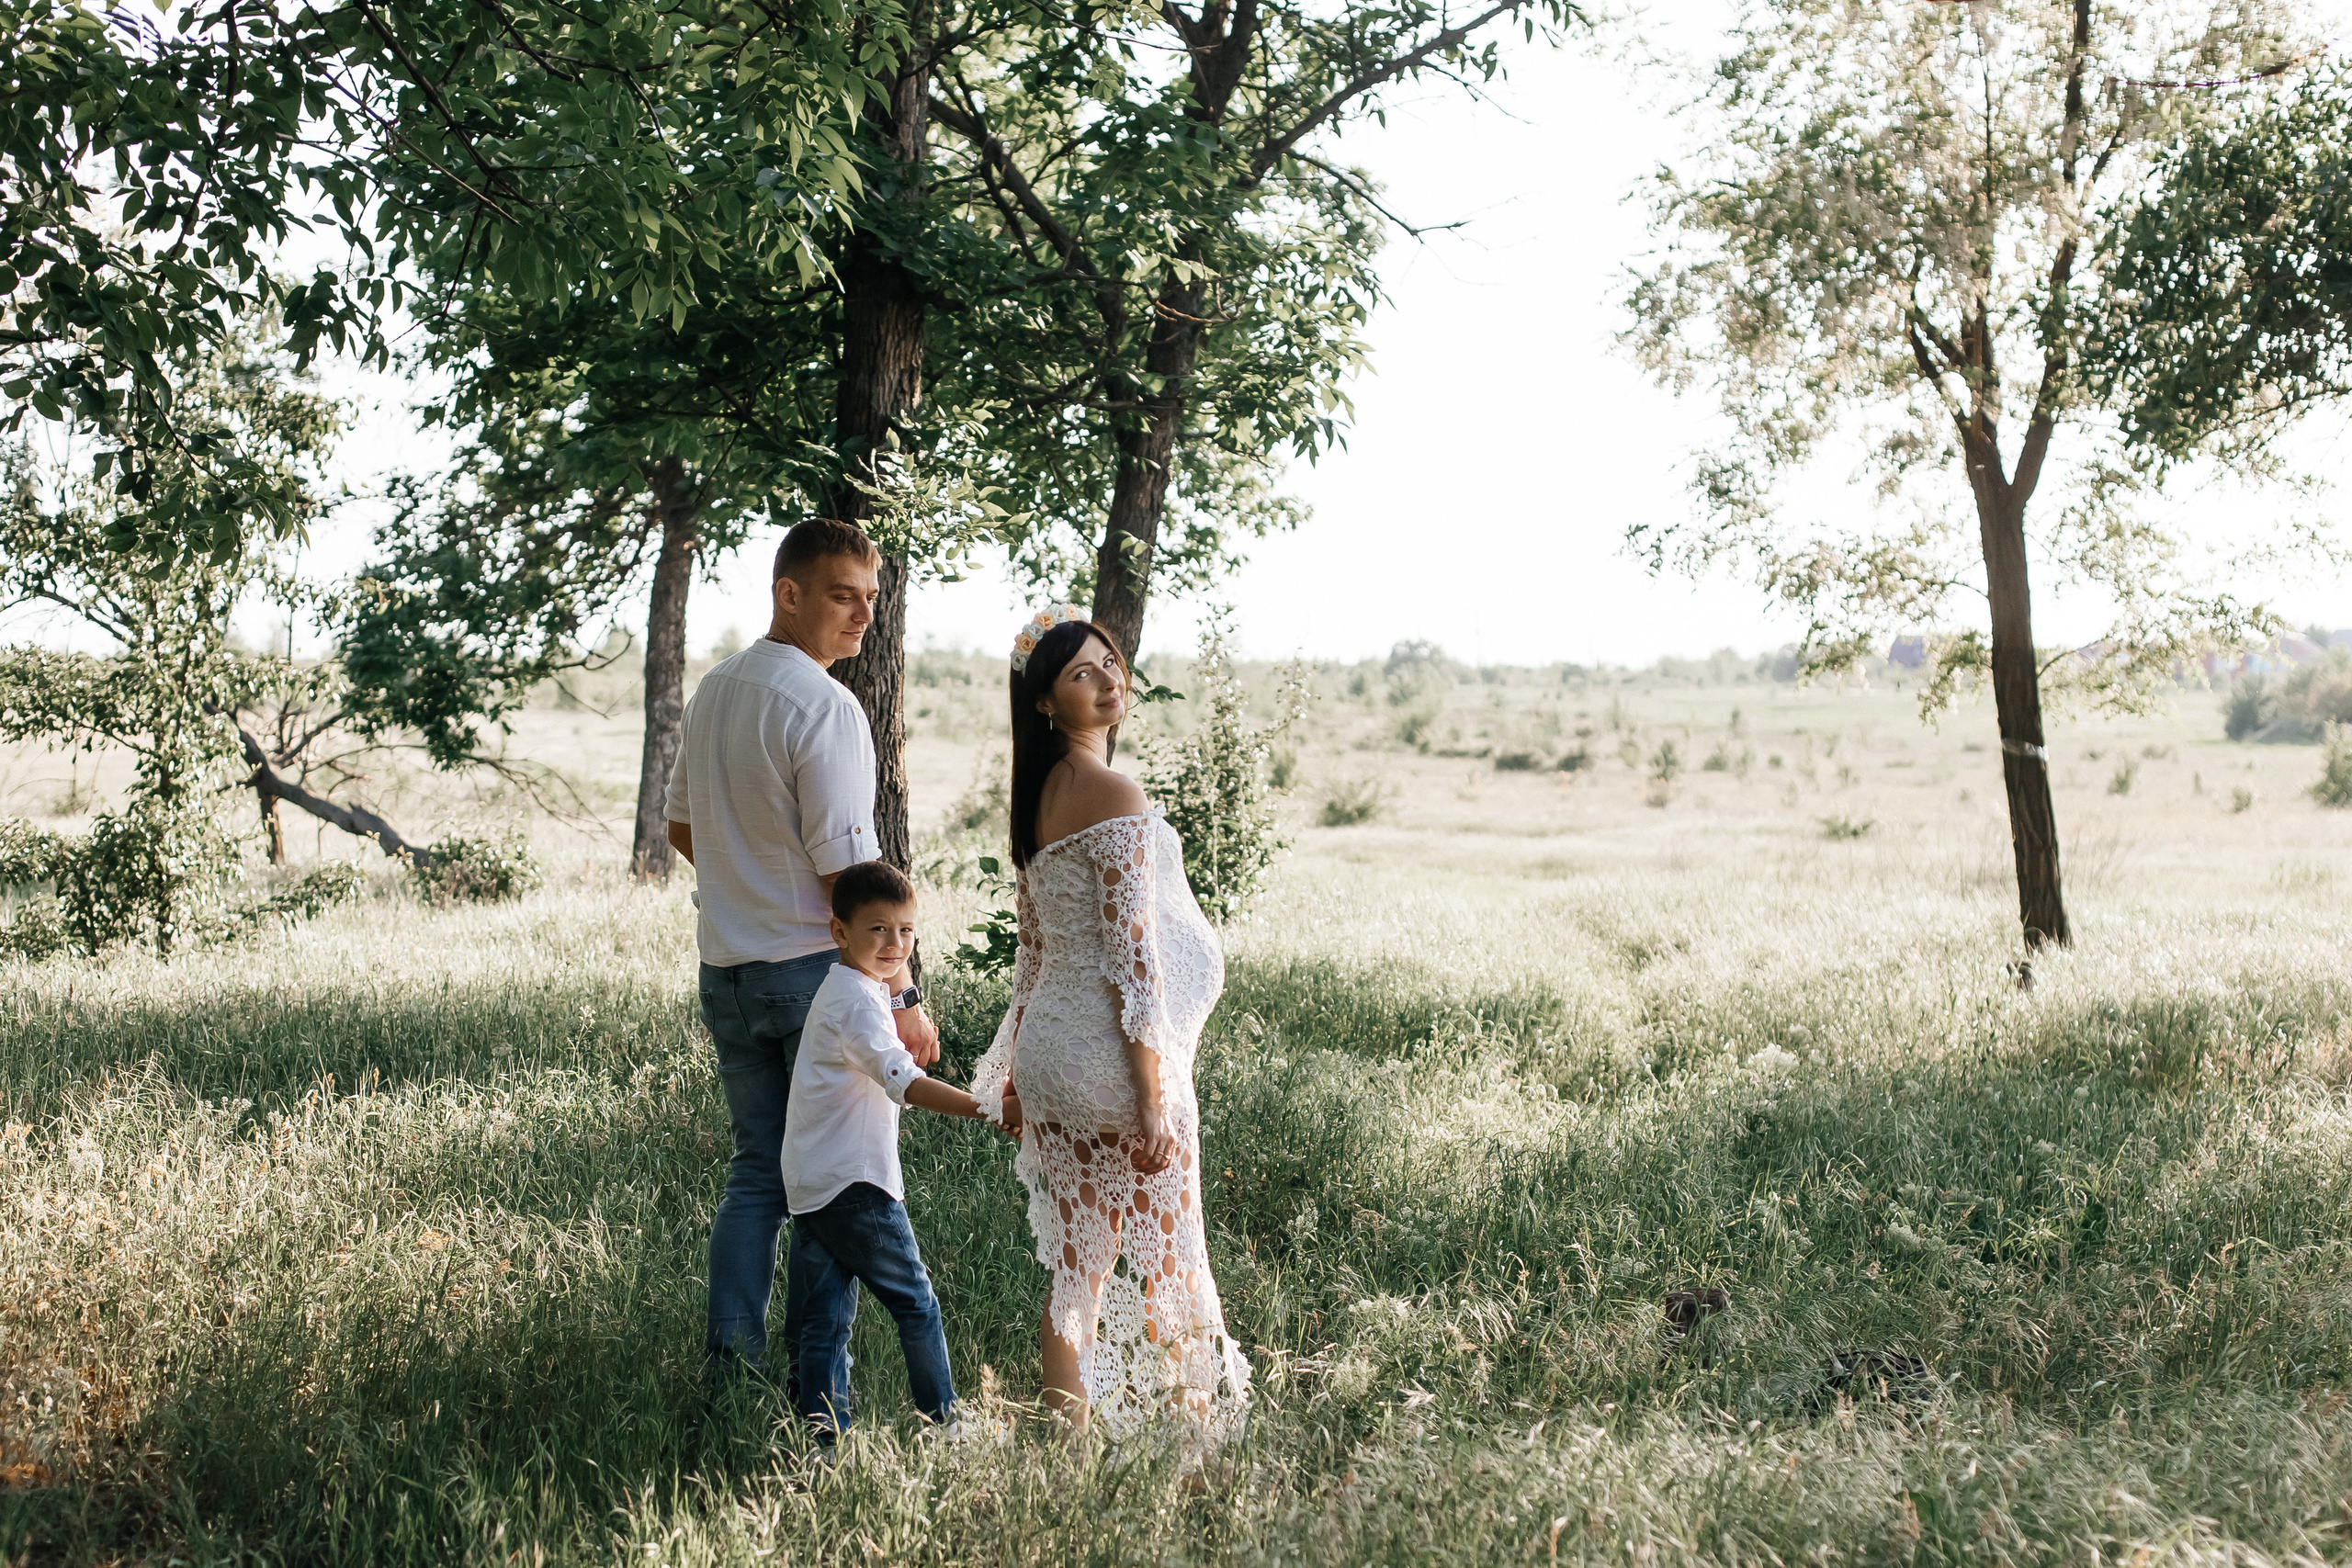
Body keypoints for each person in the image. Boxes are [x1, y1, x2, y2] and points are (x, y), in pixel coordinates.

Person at [664, 518, 941, 1380]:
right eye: (840, 596)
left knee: (758, 1173)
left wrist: (747, 880)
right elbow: (850, 877)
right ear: (788, 593)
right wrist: (899, 996)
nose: (862, 617)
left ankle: (731, 1365)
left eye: (870, 599)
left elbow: (681, 826)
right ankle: (819, 1389)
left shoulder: (715, 689)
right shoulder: (824, 704)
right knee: (836, 1183)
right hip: (811, 980)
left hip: (726, 970)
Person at [970, 604, 1250, 1451]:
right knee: (1171, 1262)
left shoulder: (1039, 800)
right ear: (1046, 703)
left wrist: (1013, 1069)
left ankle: (1069, 1445)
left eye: (1110, 663)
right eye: (1081, 674)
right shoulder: (1114, 792)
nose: (1107, 681)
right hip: (1113, 1065)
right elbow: (1138, 963)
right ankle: (1192, 1449)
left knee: (1080, 1263)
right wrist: (1153, 1097)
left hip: (1057, 1056)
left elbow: (1033, 954)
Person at [780, 860, 996, 1438]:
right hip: (856, 1185)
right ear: (840, 933)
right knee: (916, 1304)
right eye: (877, 929)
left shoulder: (855, 990)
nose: (894, 943)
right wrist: (988, 1107)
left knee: (825, 1319)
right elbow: (905, 1080)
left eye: (905, 930)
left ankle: (821, 1438)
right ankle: (945, 1421)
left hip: (813, 1180)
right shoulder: (855, 1003)